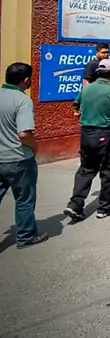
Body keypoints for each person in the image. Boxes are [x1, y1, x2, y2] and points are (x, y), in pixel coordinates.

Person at [64, 58, 110, 222]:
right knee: (109, 171)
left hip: (86, 134)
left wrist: (84, 115)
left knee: (86, 169)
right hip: (106, 134)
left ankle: (75, 204)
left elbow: (75, 108)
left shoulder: (86, 89)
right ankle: (105, 207)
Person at [0, 62, 47, 247]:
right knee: (24, 198)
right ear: (26, 80)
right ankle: (26, 236)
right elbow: (24, 134)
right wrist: (35, 147)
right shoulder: (22, 100)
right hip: (19, 159)